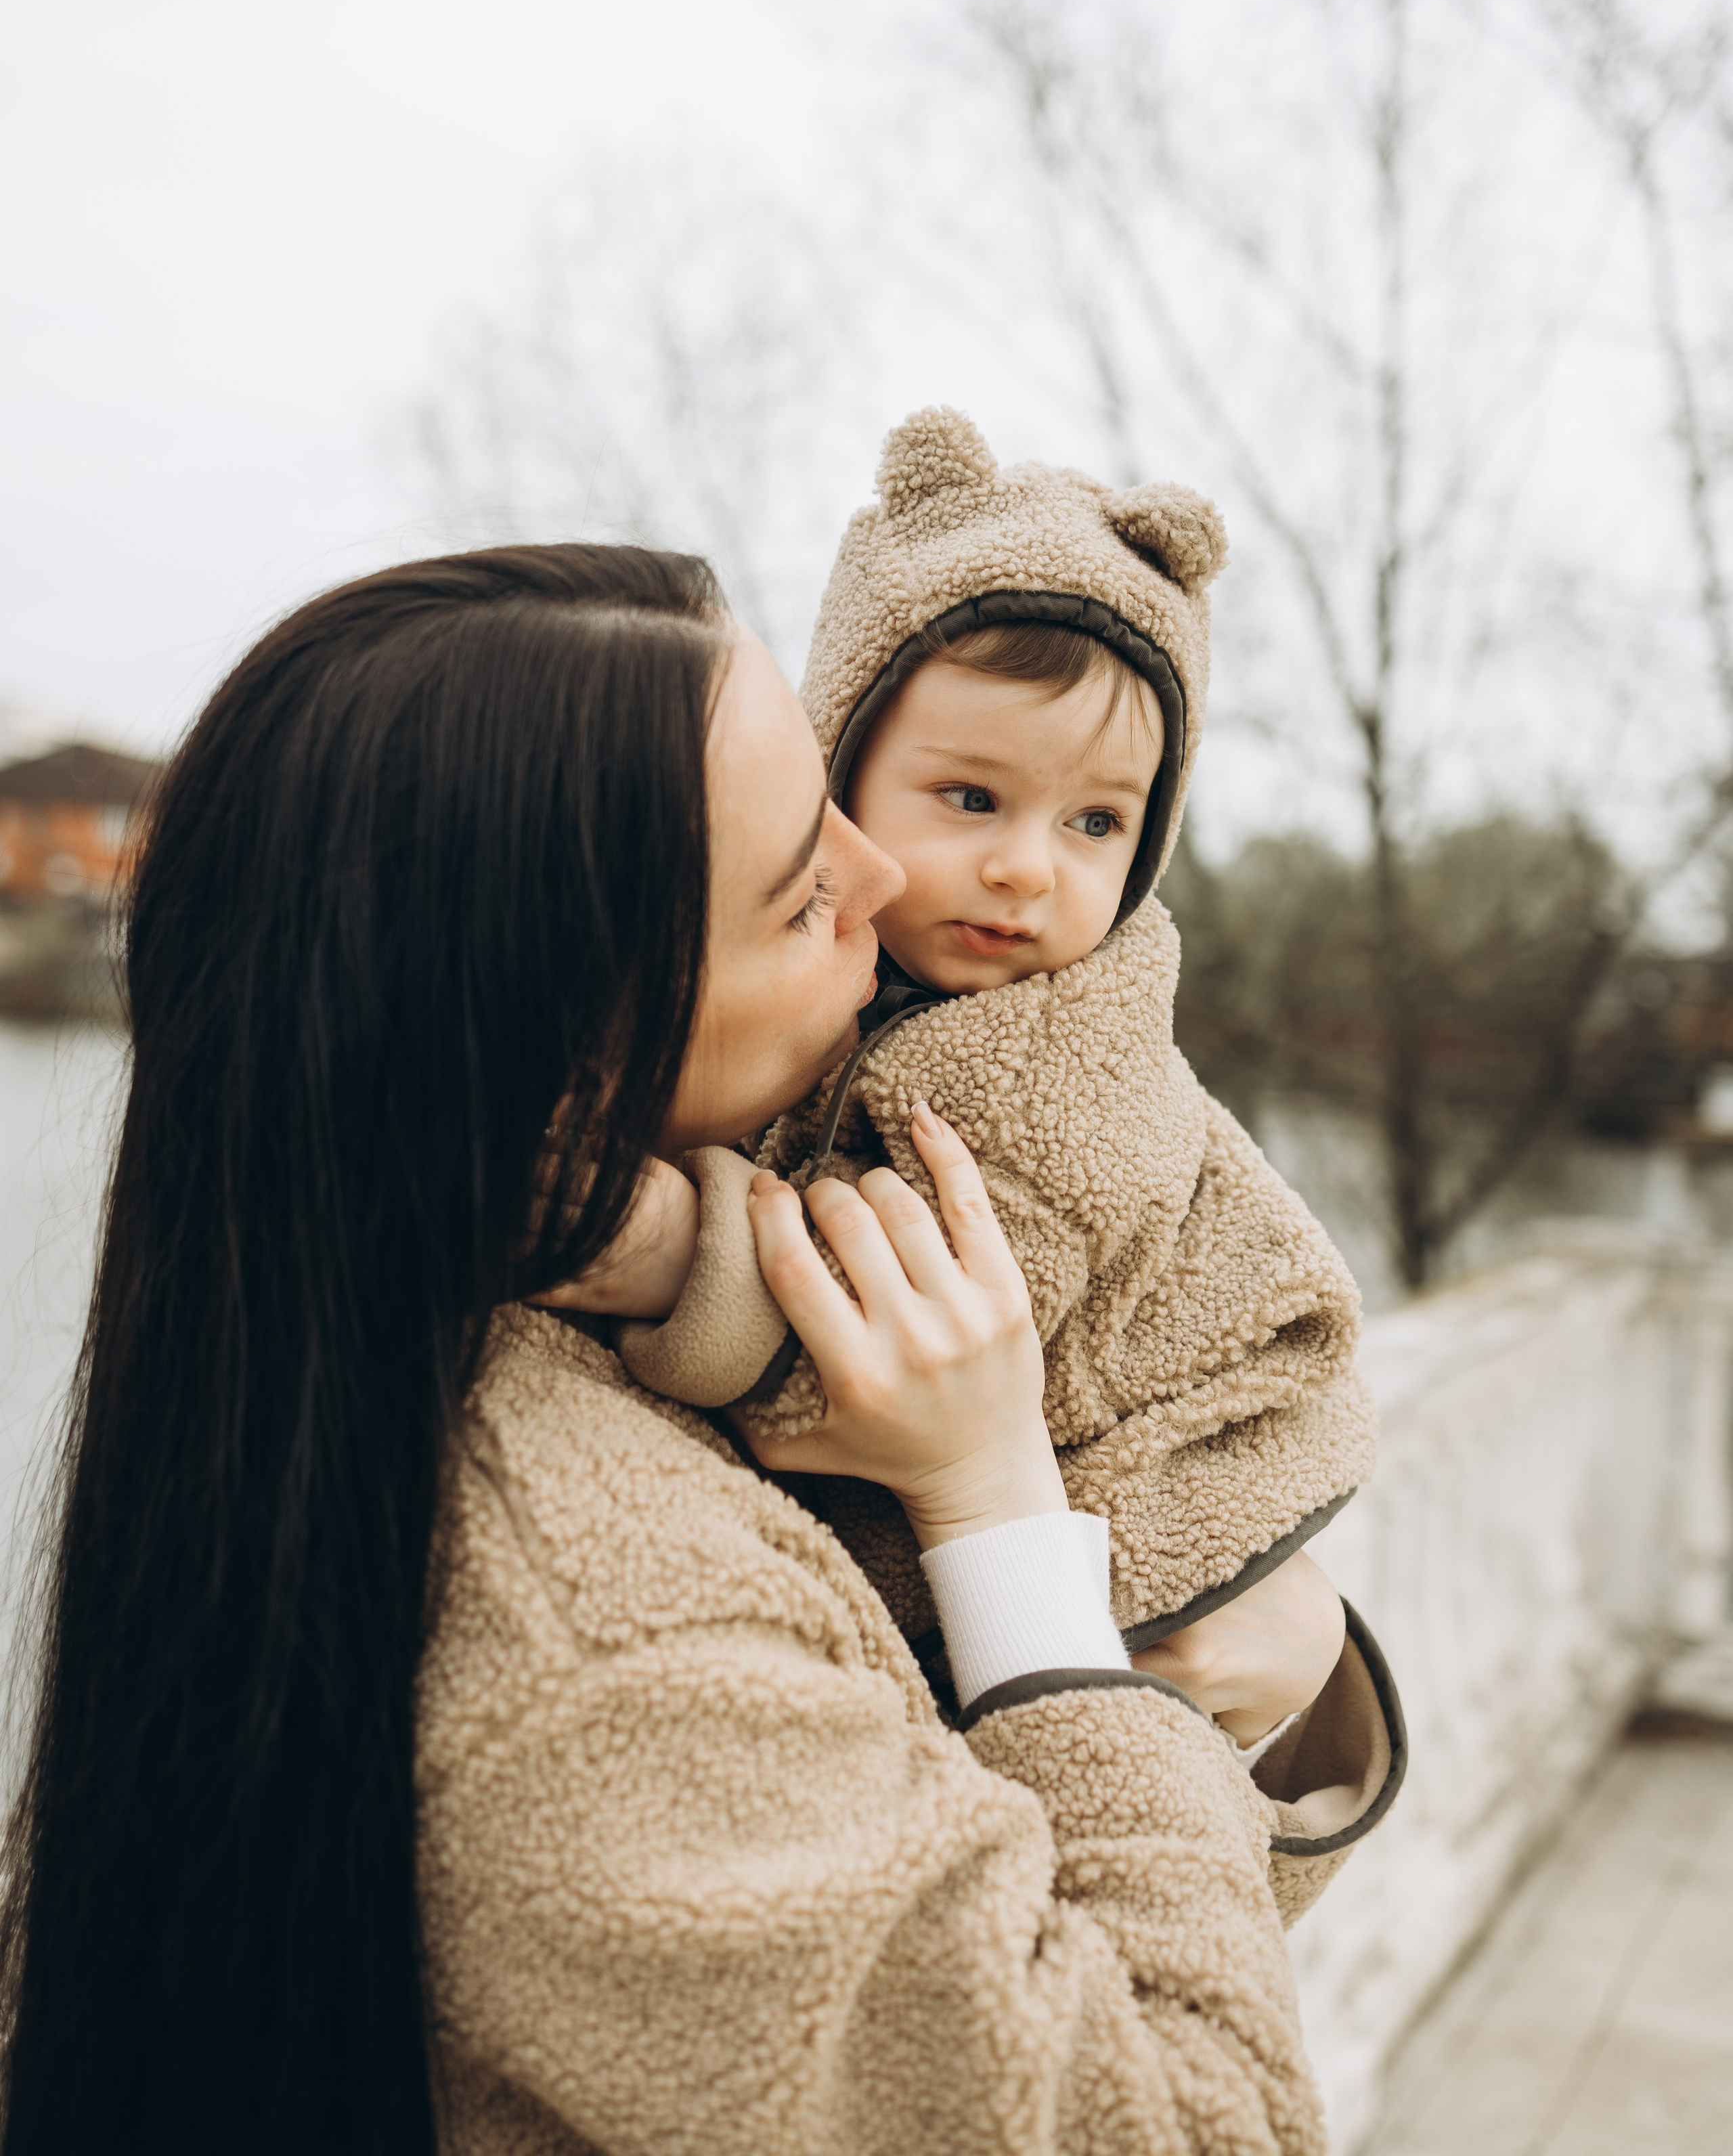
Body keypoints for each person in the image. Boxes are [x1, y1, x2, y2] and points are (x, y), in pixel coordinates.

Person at [0, 540, 1389, 2156]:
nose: (881, 875)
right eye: (803, 885)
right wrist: (1012, 1539)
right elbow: (1186, 2122)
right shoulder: (613, 1646)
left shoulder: (322, 1373)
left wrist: (1284, 1673)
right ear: (570, 1059)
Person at [584, 412, 1401, 1885]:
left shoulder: (1055, 1050)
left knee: (1089, 1862)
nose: (1031, 868)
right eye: (972, 799)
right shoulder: (857, 998)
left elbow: (907, 1305)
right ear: (837, 767)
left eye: (1097, 822)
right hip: (1025, 1516)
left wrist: (663, 1247)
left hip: (1152, 1483)